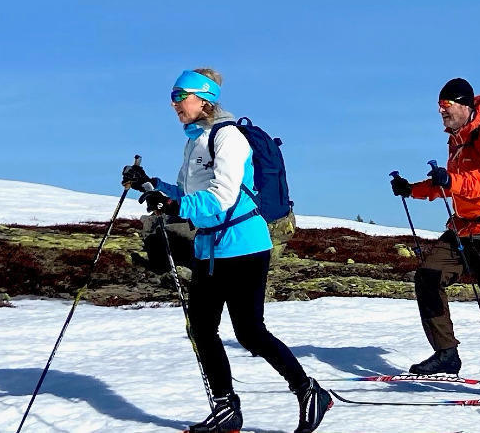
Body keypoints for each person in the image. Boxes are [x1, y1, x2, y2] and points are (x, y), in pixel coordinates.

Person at [123, 68, 331, 433]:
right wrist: (153, 185)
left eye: (179, 96)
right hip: (208, 247)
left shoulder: (228, 136)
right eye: (172, 97)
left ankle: (309, 391)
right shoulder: (196, 140)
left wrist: (174, 208)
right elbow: (191, 194)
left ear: (203, 98)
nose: (173, 105)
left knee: (250, 332)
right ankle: (225, 409)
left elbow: (223, 196)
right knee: (202, 329)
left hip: (244, 245)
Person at [389, 77, 480, 397]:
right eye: (439, 107)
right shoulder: (457, 138)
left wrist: (451, 180)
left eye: (446, 106)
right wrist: (412, 189)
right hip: (464, 229)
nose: (441, 112)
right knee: (428, 276)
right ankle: (446, 354)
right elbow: (451, 182)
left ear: (464, 105)